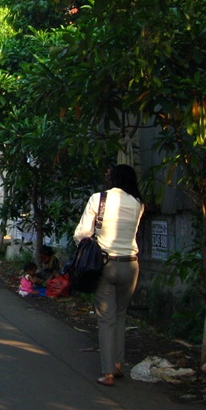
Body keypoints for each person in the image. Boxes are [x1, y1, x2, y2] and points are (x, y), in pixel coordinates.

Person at [74, 164, 145, 386]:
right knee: (121, 316)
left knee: (106, 320)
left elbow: (82, 234)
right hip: (131, 265)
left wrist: (85, 246)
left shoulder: (98, 199)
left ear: (113, 178)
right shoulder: (138, 204)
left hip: (106, 265)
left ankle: (107, 374)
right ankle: (117, 364)